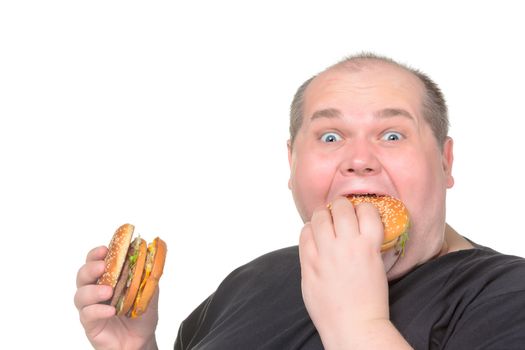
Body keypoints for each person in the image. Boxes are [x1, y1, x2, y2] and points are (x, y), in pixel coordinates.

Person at [75, 53, 525, 349]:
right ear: (292, 165)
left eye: (392, 135)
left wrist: (359, 326)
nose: (359, 159)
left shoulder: (506, 297)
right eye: (330, 136)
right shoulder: (249, 281)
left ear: (445, 162)